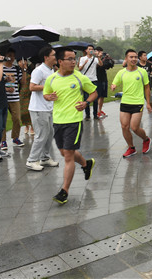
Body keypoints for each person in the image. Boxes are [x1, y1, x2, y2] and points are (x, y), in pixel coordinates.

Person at [44, 47, 97, 204]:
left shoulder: (79, 77)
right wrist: (49, 97)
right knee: (64, 152)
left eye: (75, 59)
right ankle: (86, 164)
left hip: (74, 121)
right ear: (60, 61)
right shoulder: (51, 79)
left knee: (68, 155)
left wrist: (86, 102)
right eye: (70, 59)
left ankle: (64, 191)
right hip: (58, 121)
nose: (74, 62)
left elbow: (94, 92)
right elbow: (46, 93)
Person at [112, 49, 152, 158]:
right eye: (131, 57)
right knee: (124, 126)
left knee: (134, 127)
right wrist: (113, 86)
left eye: (135, 57)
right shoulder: (121, 72)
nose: (134, 59)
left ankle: (146, 139)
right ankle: (131, 148)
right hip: (125, 102)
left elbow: (147, 87)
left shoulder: (142, 72)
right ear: (126, 59)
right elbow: (115, 82)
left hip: (138, 102)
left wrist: (148, 103)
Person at [26, 47, 59, 171]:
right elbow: (32, 87)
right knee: (41, 135)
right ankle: (32, 160)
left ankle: (45, 158)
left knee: (49, 134)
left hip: (48, 107)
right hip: (38, 108)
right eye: (53, 55)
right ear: (46, 57)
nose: (55, 57)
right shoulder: (39, 70)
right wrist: (47, 87)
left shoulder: (51, 70)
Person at [0, 49, 27, 150]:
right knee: (2, 120)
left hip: (14, 98)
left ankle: (15, 138)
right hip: (3, 98)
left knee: (17, 119)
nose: (11, 58)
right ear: (5, 56)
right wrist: (6, 88)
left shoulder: (16, 69)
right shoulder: (0, 68)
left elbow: (23, 82)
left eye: (13, 56)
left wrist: (24, 69)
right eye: (9, 55)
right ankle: (3, 141)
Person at [77, 44, 102, 120]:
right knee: (86, 98)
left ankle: (95, 115)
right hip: (85, 80)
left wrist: (98, 57)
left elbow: (101, 64)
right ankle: (87, 115)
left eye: (92, 49)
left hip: (94, 79)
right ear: (86, 50)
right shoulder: (82, 58)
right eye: (89, 49)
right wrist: (84, 63)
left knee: (95, 97)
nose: (90, 50)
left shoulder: (95, 59)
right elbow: (80, 69)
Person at [95, 46, 114, 119]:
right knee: (98, 95)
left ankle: (99, 110)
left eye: (100, 52)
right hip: (96, 78)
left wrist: (107, 58)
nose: (100, 53)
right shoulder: (93, 59)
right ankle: (96, 111)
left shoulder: (104, 57)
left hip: (103, 78)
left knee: (102, 95)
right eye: (97, 51)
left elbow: (107, 66)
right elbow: (100, 66)